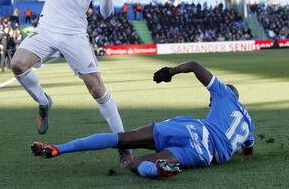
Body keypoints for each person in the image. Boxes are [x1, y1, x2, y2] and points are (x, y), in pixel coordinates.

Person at [10, 0, 132, 167]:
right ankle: (44, 102)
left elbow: (106, 12)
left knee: (97, 89)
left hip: (74, 33)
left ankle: (124, 145)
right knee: (18, 65)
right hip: (46, 27)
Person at [30, 61, 255, 179]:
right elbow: (247, 151)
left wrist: (170, 71)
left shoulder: (223, 93)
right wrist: (234, 149)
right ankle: (158, 169)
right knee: (138, 165)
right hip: (205, 153)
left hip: (191, 129)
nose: (211, 103)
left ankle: (58, 149)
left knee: (121, 139)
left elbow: (194, 66)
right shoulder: (250, 125)